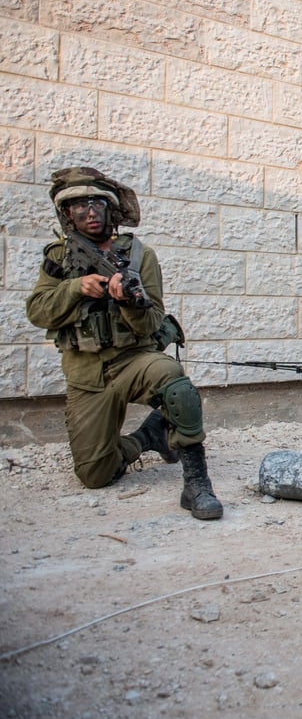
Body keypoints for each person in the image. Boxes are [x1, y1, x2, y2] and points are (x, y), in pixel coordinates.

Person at [25, 167, 223, 520]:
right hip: (86, 374)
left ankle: (197, 484)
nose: (88, 212)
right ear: (66, 213)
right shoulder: (58, 256)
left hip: (133, 361)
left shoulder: (138, 256)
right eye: (78, 206)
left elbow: (151, 322)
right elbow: (38, 311)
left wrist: (129, 301)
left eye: (96, 204)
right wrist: (76, 287)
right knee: (95, 475)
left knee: (175, 381)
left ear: (111, 210)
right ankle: (149, 436)